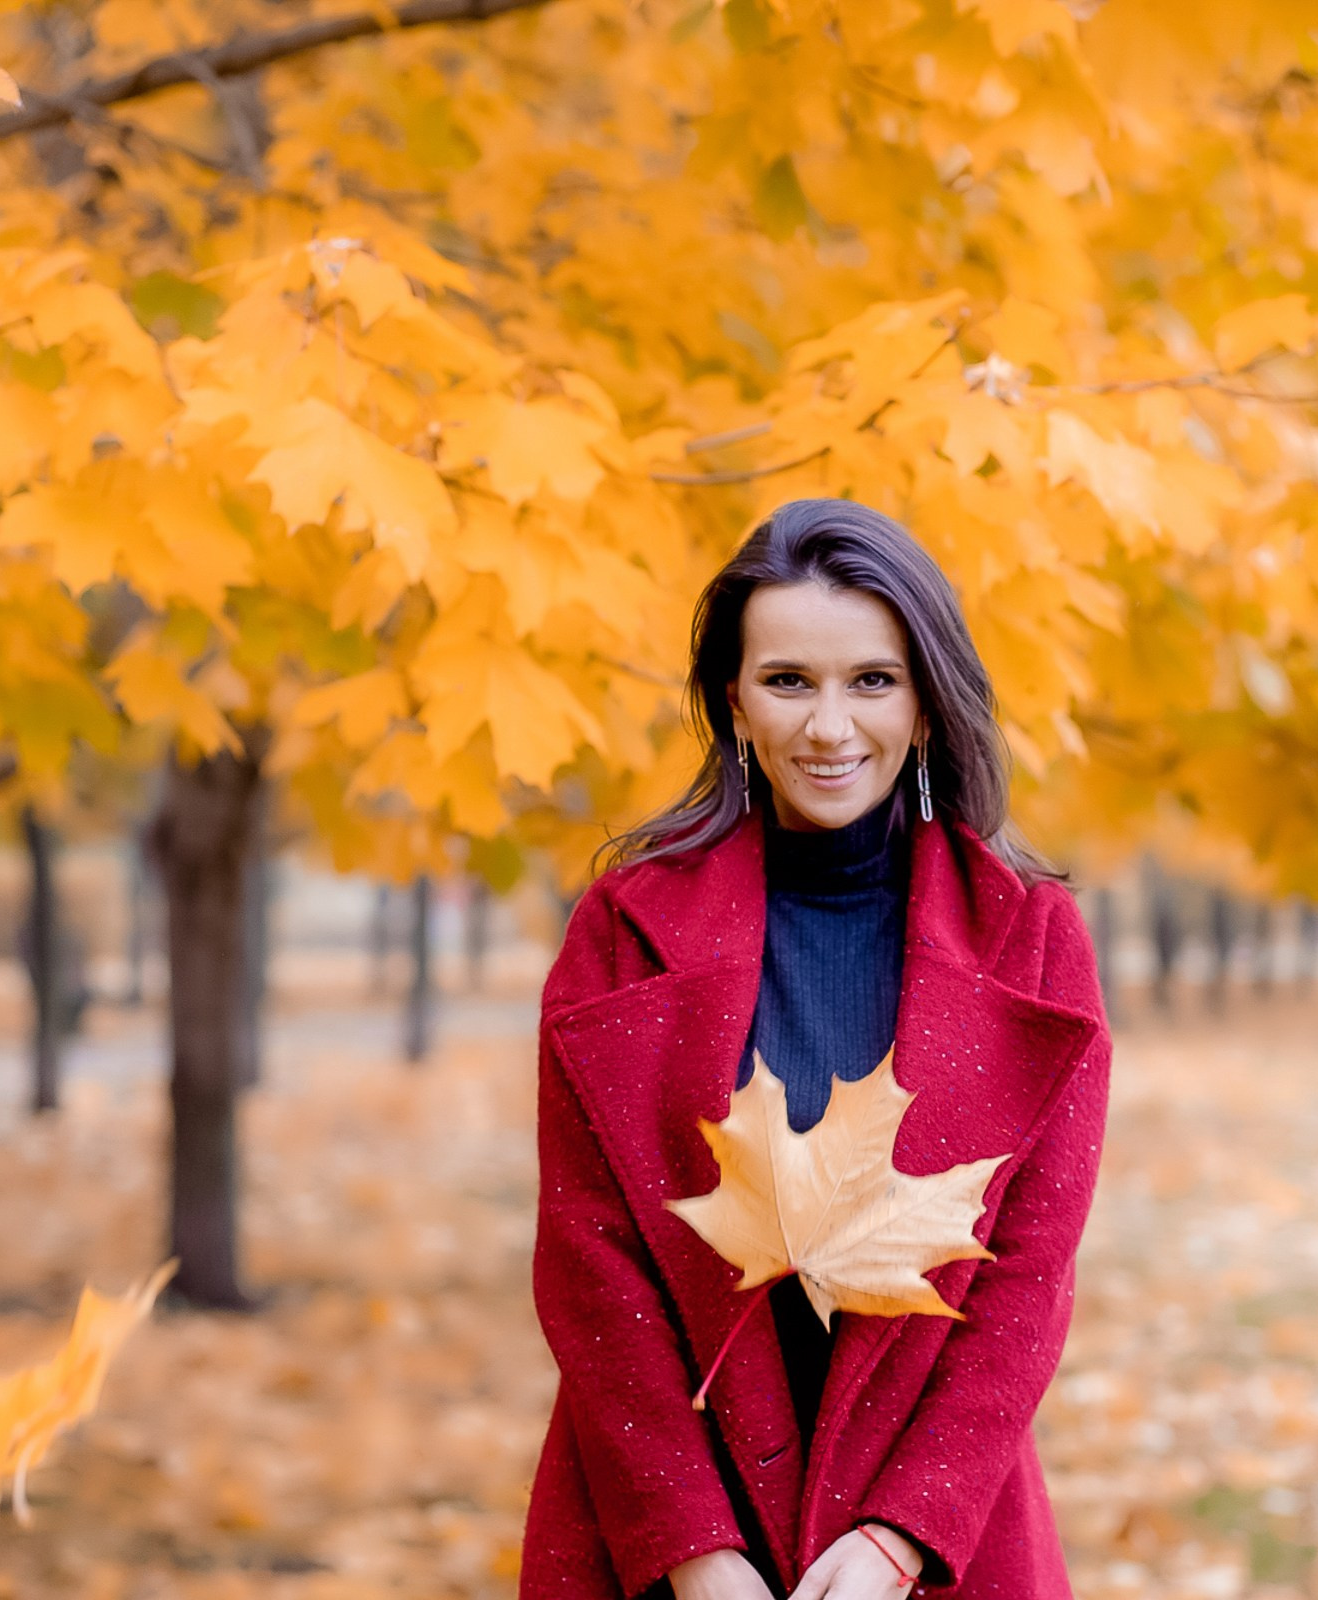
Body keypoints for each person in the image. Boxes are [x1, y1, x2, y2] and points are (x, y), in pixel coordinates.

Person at [522, 500, 1112, 1600]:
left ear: (930, 703)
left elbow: (1028, 1281)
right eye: (789, 680)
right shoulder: (622, 930)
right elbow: (589, 1262)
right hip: (666, 1520)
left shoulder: (1030, 939)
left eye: (872, 681)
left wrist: (901, 1536)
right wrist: (694, 1552)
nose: (830, 727)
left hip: (935, 1532)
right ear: (734, 699)